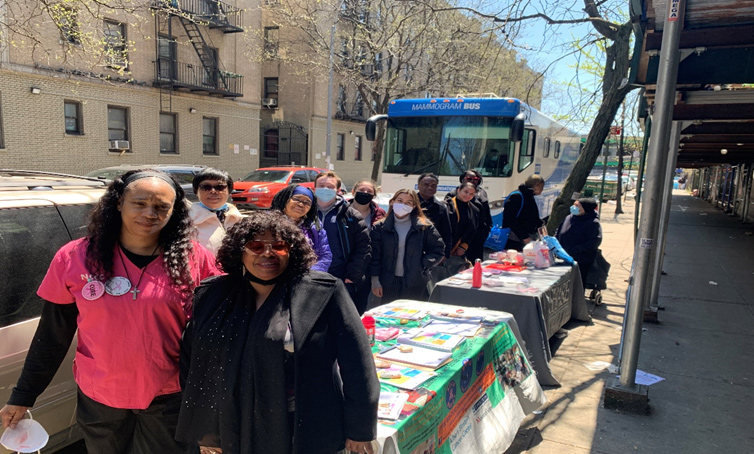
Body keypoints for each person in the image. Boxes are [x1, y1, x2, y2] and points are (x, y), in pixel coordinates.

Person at [0, 169, 220, 454]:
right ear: (118, 203)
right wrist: (24, 395)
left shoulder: (195, 258)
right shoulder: (75, 257)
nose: (150, 213)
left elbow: (216, 333)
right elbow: (53, 335)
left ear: (174, 211)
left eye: (161, 206)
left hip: (170, 396)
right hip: (101, 397)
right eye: (139, 203)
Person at [176, 211, 379, 454]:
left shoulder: (322, 292)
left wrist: (360, 428)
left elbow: (357, 363)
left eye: (279, 246)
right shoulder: (213, 295)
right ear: (239, 251)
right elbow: (195, 366)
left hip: (305, 425)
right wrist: (206, 429)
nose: (268, 253)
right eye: (256, 245)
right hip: (231, 422)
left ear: (292, 251)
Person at [370, 189, 445, 303]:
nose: (403, 205)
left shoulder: (424, 227)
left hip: (414, 282)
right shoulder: (380, 227)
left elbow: (438, 249)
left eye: (408, 203)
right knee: (390, 317)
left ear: (414, 206)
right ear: (392, 202)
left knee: (411, 317)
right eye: (399, 200)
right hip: (388, 282)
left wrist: (423, 265)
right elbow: (375, 255)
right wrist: (375, 281)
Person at [314, 171, 371, 314]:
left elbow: (363, 247)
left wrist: (353, 275)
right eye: (321, 185)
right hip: (310, 276)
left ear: (338, 190)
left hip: (340, 277)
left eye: (330, 186)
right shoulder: (305, 213)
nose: (325, 189)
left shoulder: (351, 215)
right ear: (314, 188)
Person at [271, 184, 332, 272]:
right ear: (285, 200)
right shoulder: (269, 223)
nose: (301, 204)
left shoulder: (315, 227)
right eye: (296, 199)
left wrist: (311, 276)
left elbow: (325, 255)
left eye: (307, 202)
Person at [189, 167, 244, 255]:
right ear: (196, 191)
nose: (213, 191)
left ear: (229, 191)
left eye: (220, 187)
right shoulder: (186, 222)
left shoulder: (241, 221)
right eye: (206, 187)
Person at [445, 170, 492, 262]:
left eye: (475, 179)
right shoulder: (451, 196)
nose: (472, 181)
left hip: (475, 238)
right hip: (455, 242)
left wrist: (485, 232)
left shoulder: (482, 194)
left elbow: (486, 216)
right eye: (469, 178)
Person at [555, 197, 602, 288]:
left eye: (577, 206)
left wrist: (575, 250)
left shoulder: (593, 222)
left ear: (585, 209)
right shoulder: (569, 217)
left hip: (581, 259)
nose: (573, 207)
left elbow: (594, 241)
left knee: (577, 283)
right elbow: (559, 230)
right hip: (564, 255)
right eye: (574, 204)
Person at [503, 174, 545, 251]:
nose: (542, 189)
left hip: (525, 238)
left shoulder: (529, 196)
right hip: (515, 240)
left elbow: (531, 216)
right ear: (537, 185)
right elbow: (510, 219)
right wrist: (525, 237)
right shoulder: (517, 196)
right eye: (542, 187)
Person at [417, 173, 453, 258]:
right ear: (418, 186)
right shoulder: (409, 203)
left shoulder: (441, 208)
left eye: (433, 186)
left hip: (430, 253)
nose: (430, 188)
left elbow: (446, 233)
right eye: (426, 185)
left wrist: (445, 255)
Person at [446, 182, 480, 258]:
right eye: (466, 192)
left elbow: (472, 231)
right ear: (458, 190)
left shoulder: (474, 210)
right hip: (441, 248)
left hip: (458, 251)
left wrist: (463, 247)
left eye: (472, 194)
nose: (468, 195)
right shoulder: (446, 206)